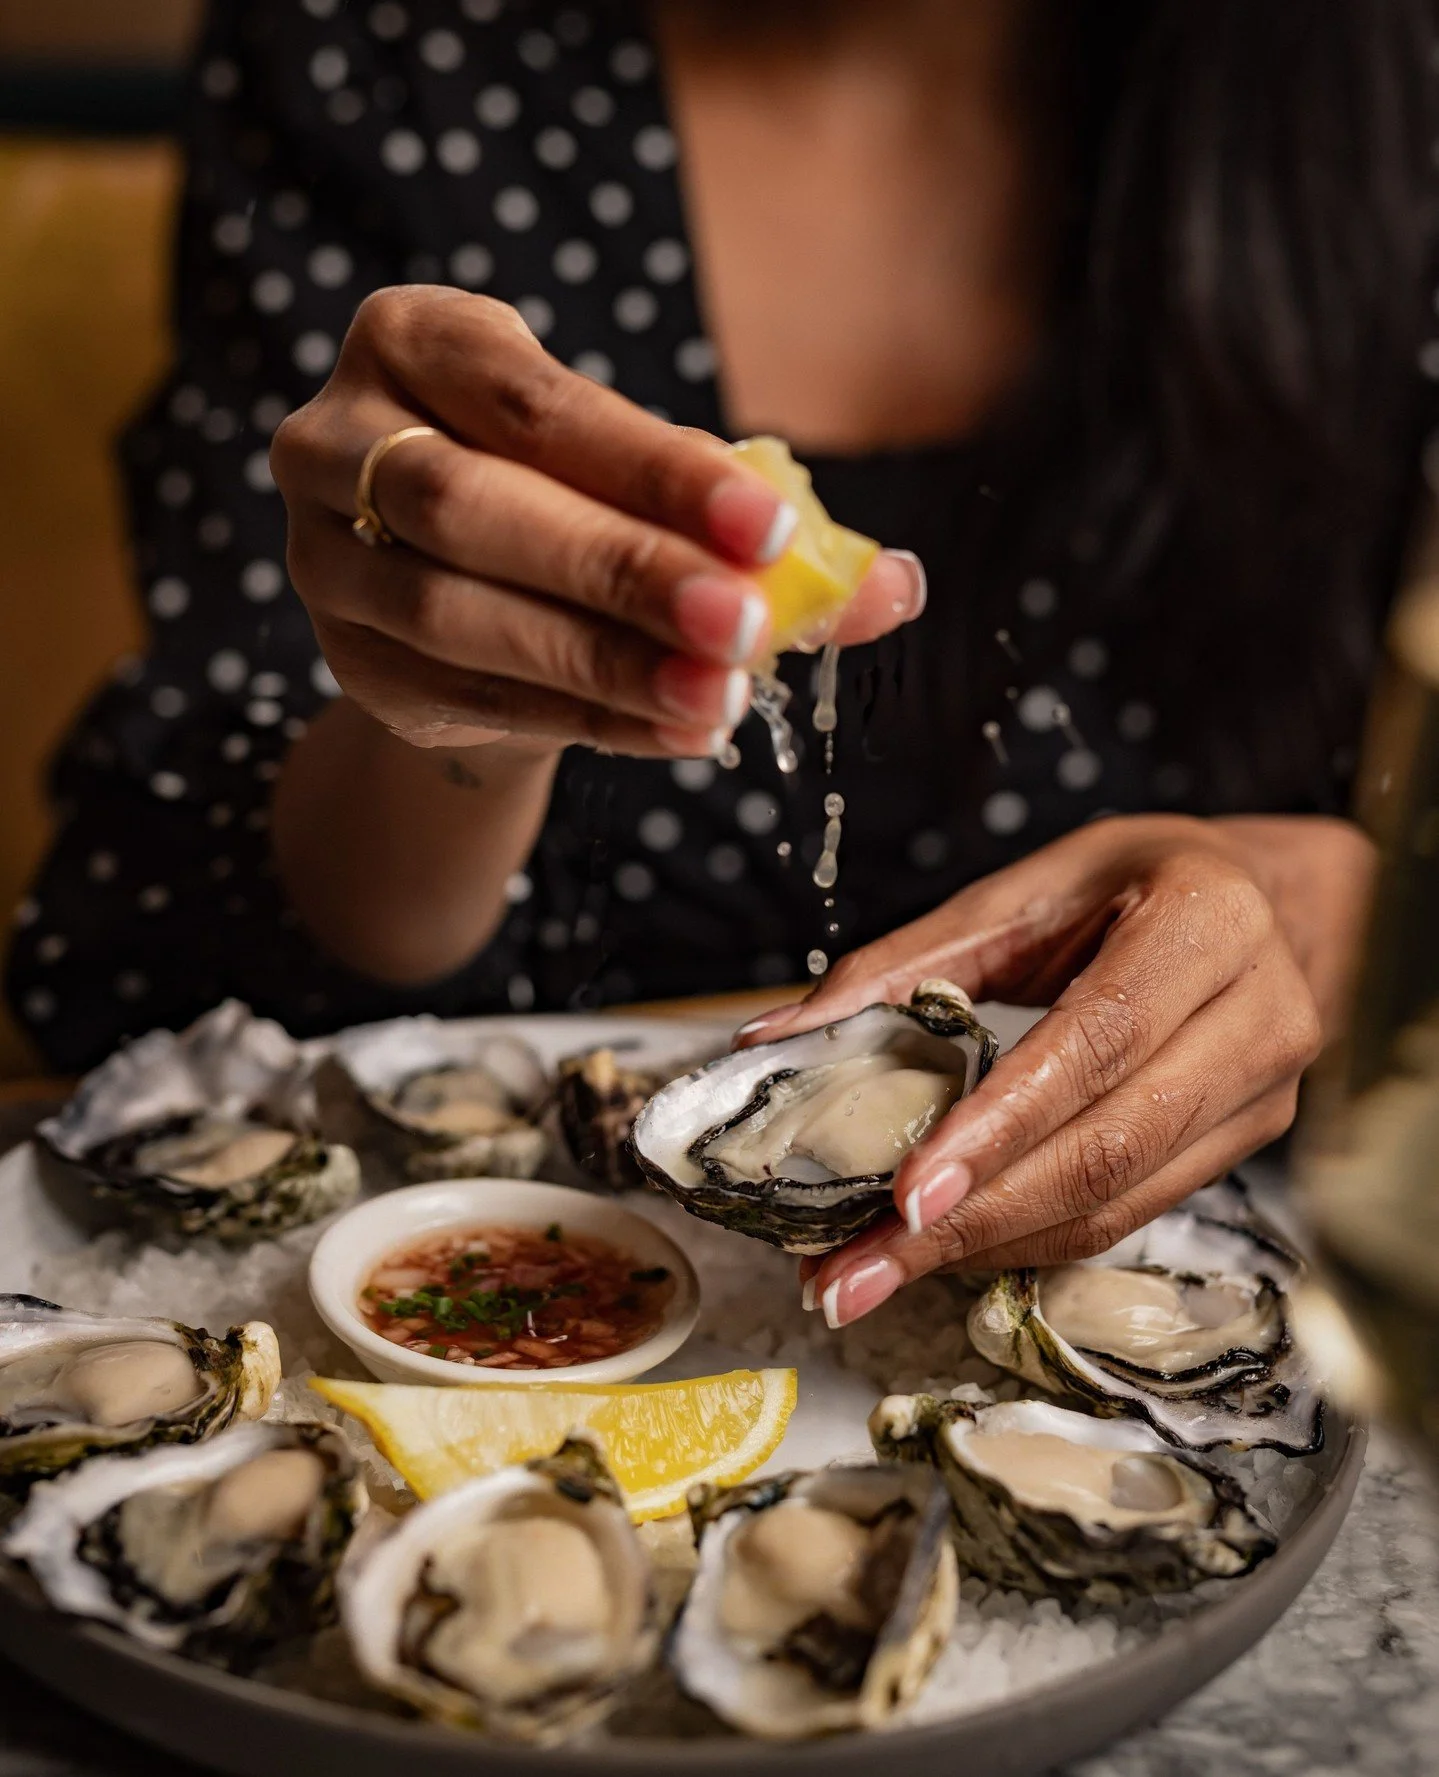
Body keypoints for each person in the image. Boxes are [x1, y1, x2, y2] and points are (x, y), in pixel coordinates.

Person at [5, 0, 1430, 1326]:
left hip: (1276, 1267)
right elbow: (203, 946)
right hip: (498, 1248)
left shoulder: (1391, 82)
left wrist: (1332, 915)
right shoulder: (373, 44)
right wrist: (459, 717)